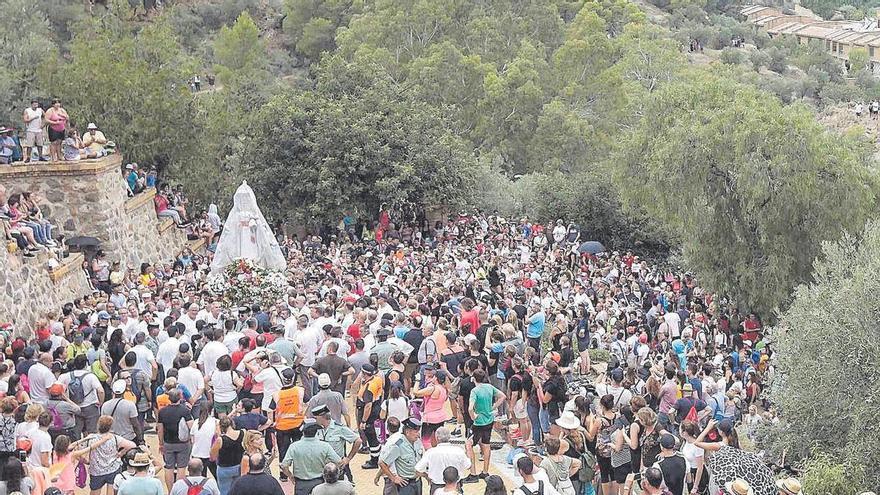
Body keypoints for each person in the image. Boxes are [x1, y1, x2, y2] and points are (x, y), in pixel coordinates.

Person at [463, 369, 505, 483]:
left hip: (478, 422)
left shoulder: (475, 391)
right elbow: (502, 396)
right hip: (489, 419)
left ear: (474, 378)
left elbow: (470, 408)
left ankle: (473, 473)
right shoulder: (489, 387)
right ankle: (485, 471)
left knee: (469, 444)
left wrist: (473, 416)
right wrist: (493, 406)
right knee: (486, 444)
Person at [280, 421, 341, 495]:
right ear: (316, 433)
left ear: (303, 433)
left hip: (301, 483)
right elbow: (338, 462)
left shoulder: (294, 446)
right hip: (320, 482)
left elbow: (284, 466)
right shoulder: (325, 446)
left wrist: (290, 476)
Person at [414, 426, 472, 494]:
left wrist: (426, 475)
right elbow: (469, 466)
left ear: (437, 438)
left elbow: (417, 469)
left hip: (436, 486)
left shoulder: (430, 452)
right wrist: (468, 449)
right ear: (449, 437)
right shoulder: (459, 451)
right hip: (455, 486)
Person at [312, 405, 361, 483]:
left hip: (336, 468)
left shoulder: (339, 428)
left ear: (322, 417)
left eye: (316, 418)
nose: (315, 420)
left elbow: (358, 440)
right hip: (321, 468)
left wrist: (348, 458)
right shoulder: (317, 429)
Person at [156, 389, 193, 489]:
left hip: (168, 442)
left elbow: (160, 429)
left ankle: (170, 491)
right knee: (181, 468)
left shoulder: (162, 411)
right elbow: (191, 427)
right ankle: (179, 490)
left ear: (169, 398)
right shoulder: (185, 410)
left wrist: (160, 443)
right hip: (183, 443)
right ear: (180, 397)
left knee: (169, 467)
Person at [379, 417, 425, 495]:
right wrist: (393, 478)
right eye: (416, 431)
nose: (418, 434)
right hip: (406, 485)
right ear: (407, 432)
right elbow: (382, 463)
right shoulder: (398, 445)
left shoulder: (417, 442)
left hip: (417, 482)